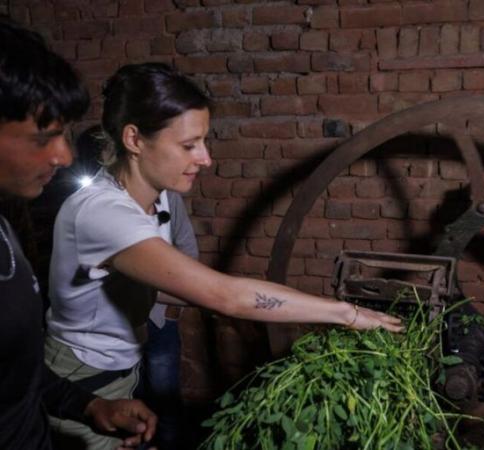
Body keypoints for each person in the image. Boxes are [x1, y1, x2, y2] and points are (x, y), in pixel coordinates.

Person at [44, 62, 403, 449]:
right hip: (82, 378)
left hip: (122, 371)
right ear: (134, 139)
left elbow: (169, 287)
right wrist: (346, 314)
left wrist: (243, 303)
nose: (206, 159)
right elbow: (225, 295)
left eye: (204, 142)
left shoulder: (158, 197)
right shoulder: (102, 213)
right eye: (188, 146)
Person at [0, 19, 157, 450]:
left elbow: (16, 373)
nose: (65, 155)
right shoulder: (96, 209)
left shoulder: (4, 226)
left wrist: (89, 406)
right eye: (44, 137)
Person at [140, 190, 197, 450]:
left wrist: (174, 309)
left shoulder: (169, 199)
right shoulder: (106, 203)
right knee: (129, 399)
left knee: (165, 400)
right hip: (119, 325)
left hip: (158, 318)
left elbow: (188, 251)